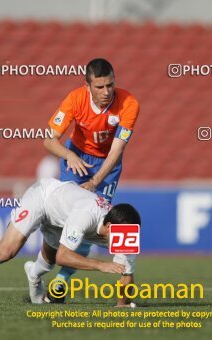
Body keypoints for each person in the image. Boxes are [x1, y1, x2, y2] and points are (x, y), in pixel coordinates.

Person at [0, 178, 141, 307]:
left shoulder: (124, 232)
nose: (125, 241)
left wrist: (121, 305)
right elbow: (64, 257)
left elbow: (126, 274)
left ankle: (34, 276)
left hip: (61, 216)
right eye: (122, 234)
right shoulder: (85, 216)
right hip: (43, 197)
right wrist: (101, 265)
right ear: (111, 227)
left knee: (46, 263)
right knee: (6, 252)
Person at [43, 58, 140, 297]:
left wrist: (95, 181)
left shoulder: (129, 103)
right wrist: (69, 156)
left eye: (110, 85)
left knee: (94, 224)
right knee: (66, 222)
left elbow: (117, 150)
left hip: (107, 164)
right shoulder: (75, 99)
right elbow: (48, 139)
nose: (106, 92)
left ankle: (61, 283)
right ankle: (39, 268)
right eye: (99, 87)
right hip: (76, 159)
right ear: (87, 86)